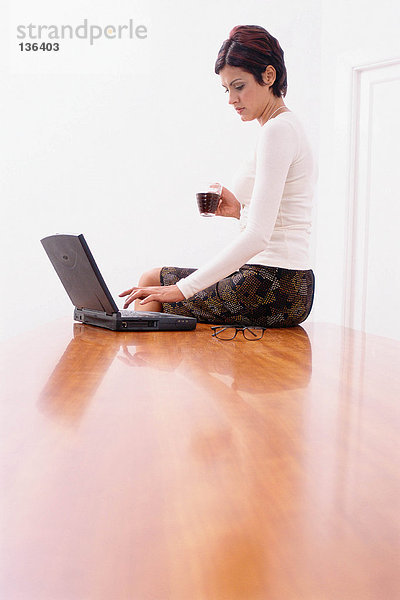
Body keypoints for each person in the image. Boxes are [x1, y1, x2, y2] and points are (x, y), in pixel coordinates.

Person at [119, 25, 317, 328]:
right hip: (285, 281)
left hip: (274, 283)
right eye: (227, 89)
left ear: (268, 76)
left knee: (153, 290)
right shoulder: (282, 127)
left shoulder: (277, 131)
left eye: (239, 86)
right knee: (151, 281)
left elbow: (259, 236)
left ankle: (144, 372)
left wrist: (182, 289)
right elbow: (278, 222)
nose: (231, 100)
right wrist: (239, 211)